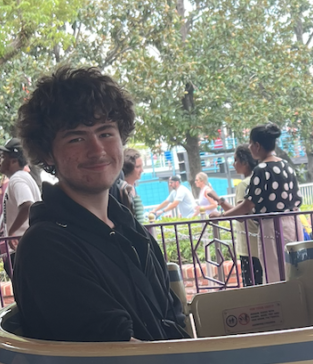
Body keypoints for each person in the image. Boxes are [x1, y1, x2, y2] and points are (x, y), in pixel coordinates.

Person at [10, 66, 187, 343]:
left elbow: (173, 322)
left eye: (106, 133)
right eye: (76, 138)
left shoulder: (131, 230)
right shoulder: (47, 245)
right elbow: (115, 354)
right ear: (47, 153)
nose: (97, 150)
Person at [220, 123, 302, 281]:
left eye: (251, 143)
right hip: (292, 223)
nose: (250, 147)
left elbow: (248, 204)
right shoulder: (286, 166)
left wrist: (223, 215)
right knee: (293, 271)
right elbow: (297, 199)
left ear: (257, 146)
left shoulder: (261, 170)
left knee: (274, 274)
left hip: (271, 226)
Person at [216, 146, 263, 285]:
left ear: (245, 162)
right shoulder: (259, 179)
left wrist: (221, 215)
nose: (234, 164)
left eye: (236, 160)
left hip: (248, 245)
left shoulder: (244, 184)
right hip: (262, 243)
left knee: (252, 287)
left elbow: (241, 214)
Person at [117, 149, 146, 224]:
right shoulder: (121, 189)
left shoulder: (133, 187)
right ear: (128, 168)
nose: (142, 170)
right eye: (138, 167)